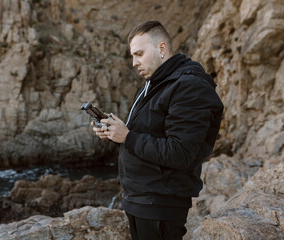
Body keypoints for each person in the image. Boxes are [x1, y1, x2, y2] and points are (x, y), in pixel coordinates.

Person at [92, 20, 223, 240]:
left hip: (161, 205)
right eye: (133, 56)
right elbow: (145, 135)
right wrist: (116, 133)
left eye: (139, 54)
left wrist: (128, 136)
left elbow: (180, 153)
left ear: (161, 48)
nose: (134, 63)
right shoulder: (152, 85)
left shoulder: (189, 86)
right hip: (140, 200)